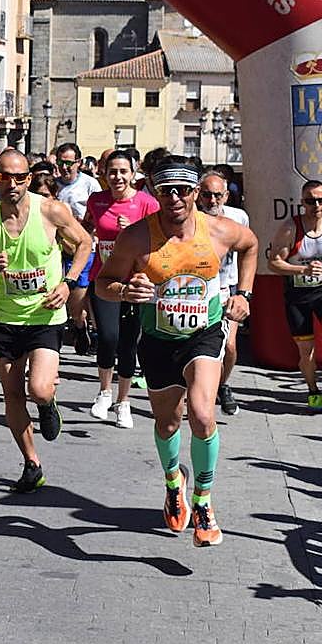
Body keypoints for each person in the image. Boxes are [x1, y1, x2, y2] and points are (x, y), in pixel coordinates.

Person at [96, 155, 257, 548]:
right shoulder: (137, 237)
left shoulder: (219, 230)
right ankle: (173, 481)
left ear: (196, 192)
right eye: (166, 191)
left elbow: (251, 245)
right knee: (167, 423)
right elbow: (104, 283)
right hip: (158, 339)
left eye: (182, 190)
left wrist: (244, 295)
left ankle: (202, 501)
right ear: (155, 191)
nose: (174, 199)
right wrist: (124, 291)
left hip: (204, 334)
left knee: (202, 415)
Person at [0, 150, 92, 492]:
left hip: (45, 314)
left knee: (38, 388)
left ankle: (47, 402)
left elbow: (85, 243)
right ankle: (31, 462)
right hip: (5, 317)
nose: (12, 184)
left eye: (19, 177)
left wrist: (68, 283)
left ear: (28, 178)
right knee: (11, 394)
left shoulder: (51, 211)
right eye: (4, 177)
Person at [84, 150, 159, 428]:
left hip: (135, 282)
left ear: (133, 173)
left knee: (128, 343)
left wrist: (134, 231)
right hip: (104, 279)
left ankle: (123, 401)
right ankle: (104, 392)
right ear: (104, 173)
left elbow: (158, 241)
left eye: (123, 171)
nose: (117, 177)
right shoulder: (97, 200)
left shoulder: (147, 203)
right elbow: (86, 227)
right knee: (107, 336)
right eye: (112, 171)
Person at [267, 180, 322, 411]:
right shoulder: (290, 229)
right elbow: (273, 262)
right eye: (311, 201)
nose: (317, 205)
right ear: (302, 202)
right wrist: (301, 270)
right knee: (307, 352)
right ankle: (313, 390)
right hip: (297, 298)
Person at [198, 171, 250, 415]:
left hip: (227, 287)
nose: (212, 201)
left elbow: (249, 249)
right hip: (198, 290)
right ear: (198, 195)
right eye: (207, 195)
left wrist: (244, 293)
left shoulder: (238, 217)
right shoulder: (191, 218)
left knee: (229, 346)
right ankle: (198, 389)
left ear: (226, 196)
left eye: (217, 195)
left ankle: (222, 384)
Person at [56, 143, 101, 355]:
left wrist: (86, 226)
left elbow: (99, 214)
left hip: (84, 247)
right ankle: (78, 325)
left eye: (69, 163)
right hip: (58, 248)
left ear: (79, 163)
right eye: (61, 162)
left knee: (78, 294)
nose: (65, 167)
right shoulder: (53, 185)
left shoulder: (90, 184)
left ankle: (81, 325)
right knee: (61, 292)